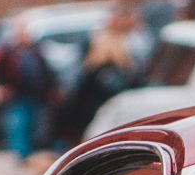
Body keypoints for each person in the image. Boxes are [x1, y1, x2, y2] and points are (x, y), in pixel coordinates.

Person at [52, 22, 138, 151]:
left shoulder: (91, 71)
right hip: (118, 122)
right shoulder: (127, 72)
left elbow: (77, 99)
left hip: (93, 122)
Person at [0, 19, 56, 167]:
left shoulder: (36, 52)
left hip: (36, 95)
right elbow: (1, 72)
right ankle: (22, 154)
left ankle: (32, 153)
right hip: (18, 96)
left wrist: (50, 89)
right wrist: (2, 87)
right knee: (19, 125)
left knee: (34, 126)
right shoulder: (10, 53)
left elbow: (46, 72)